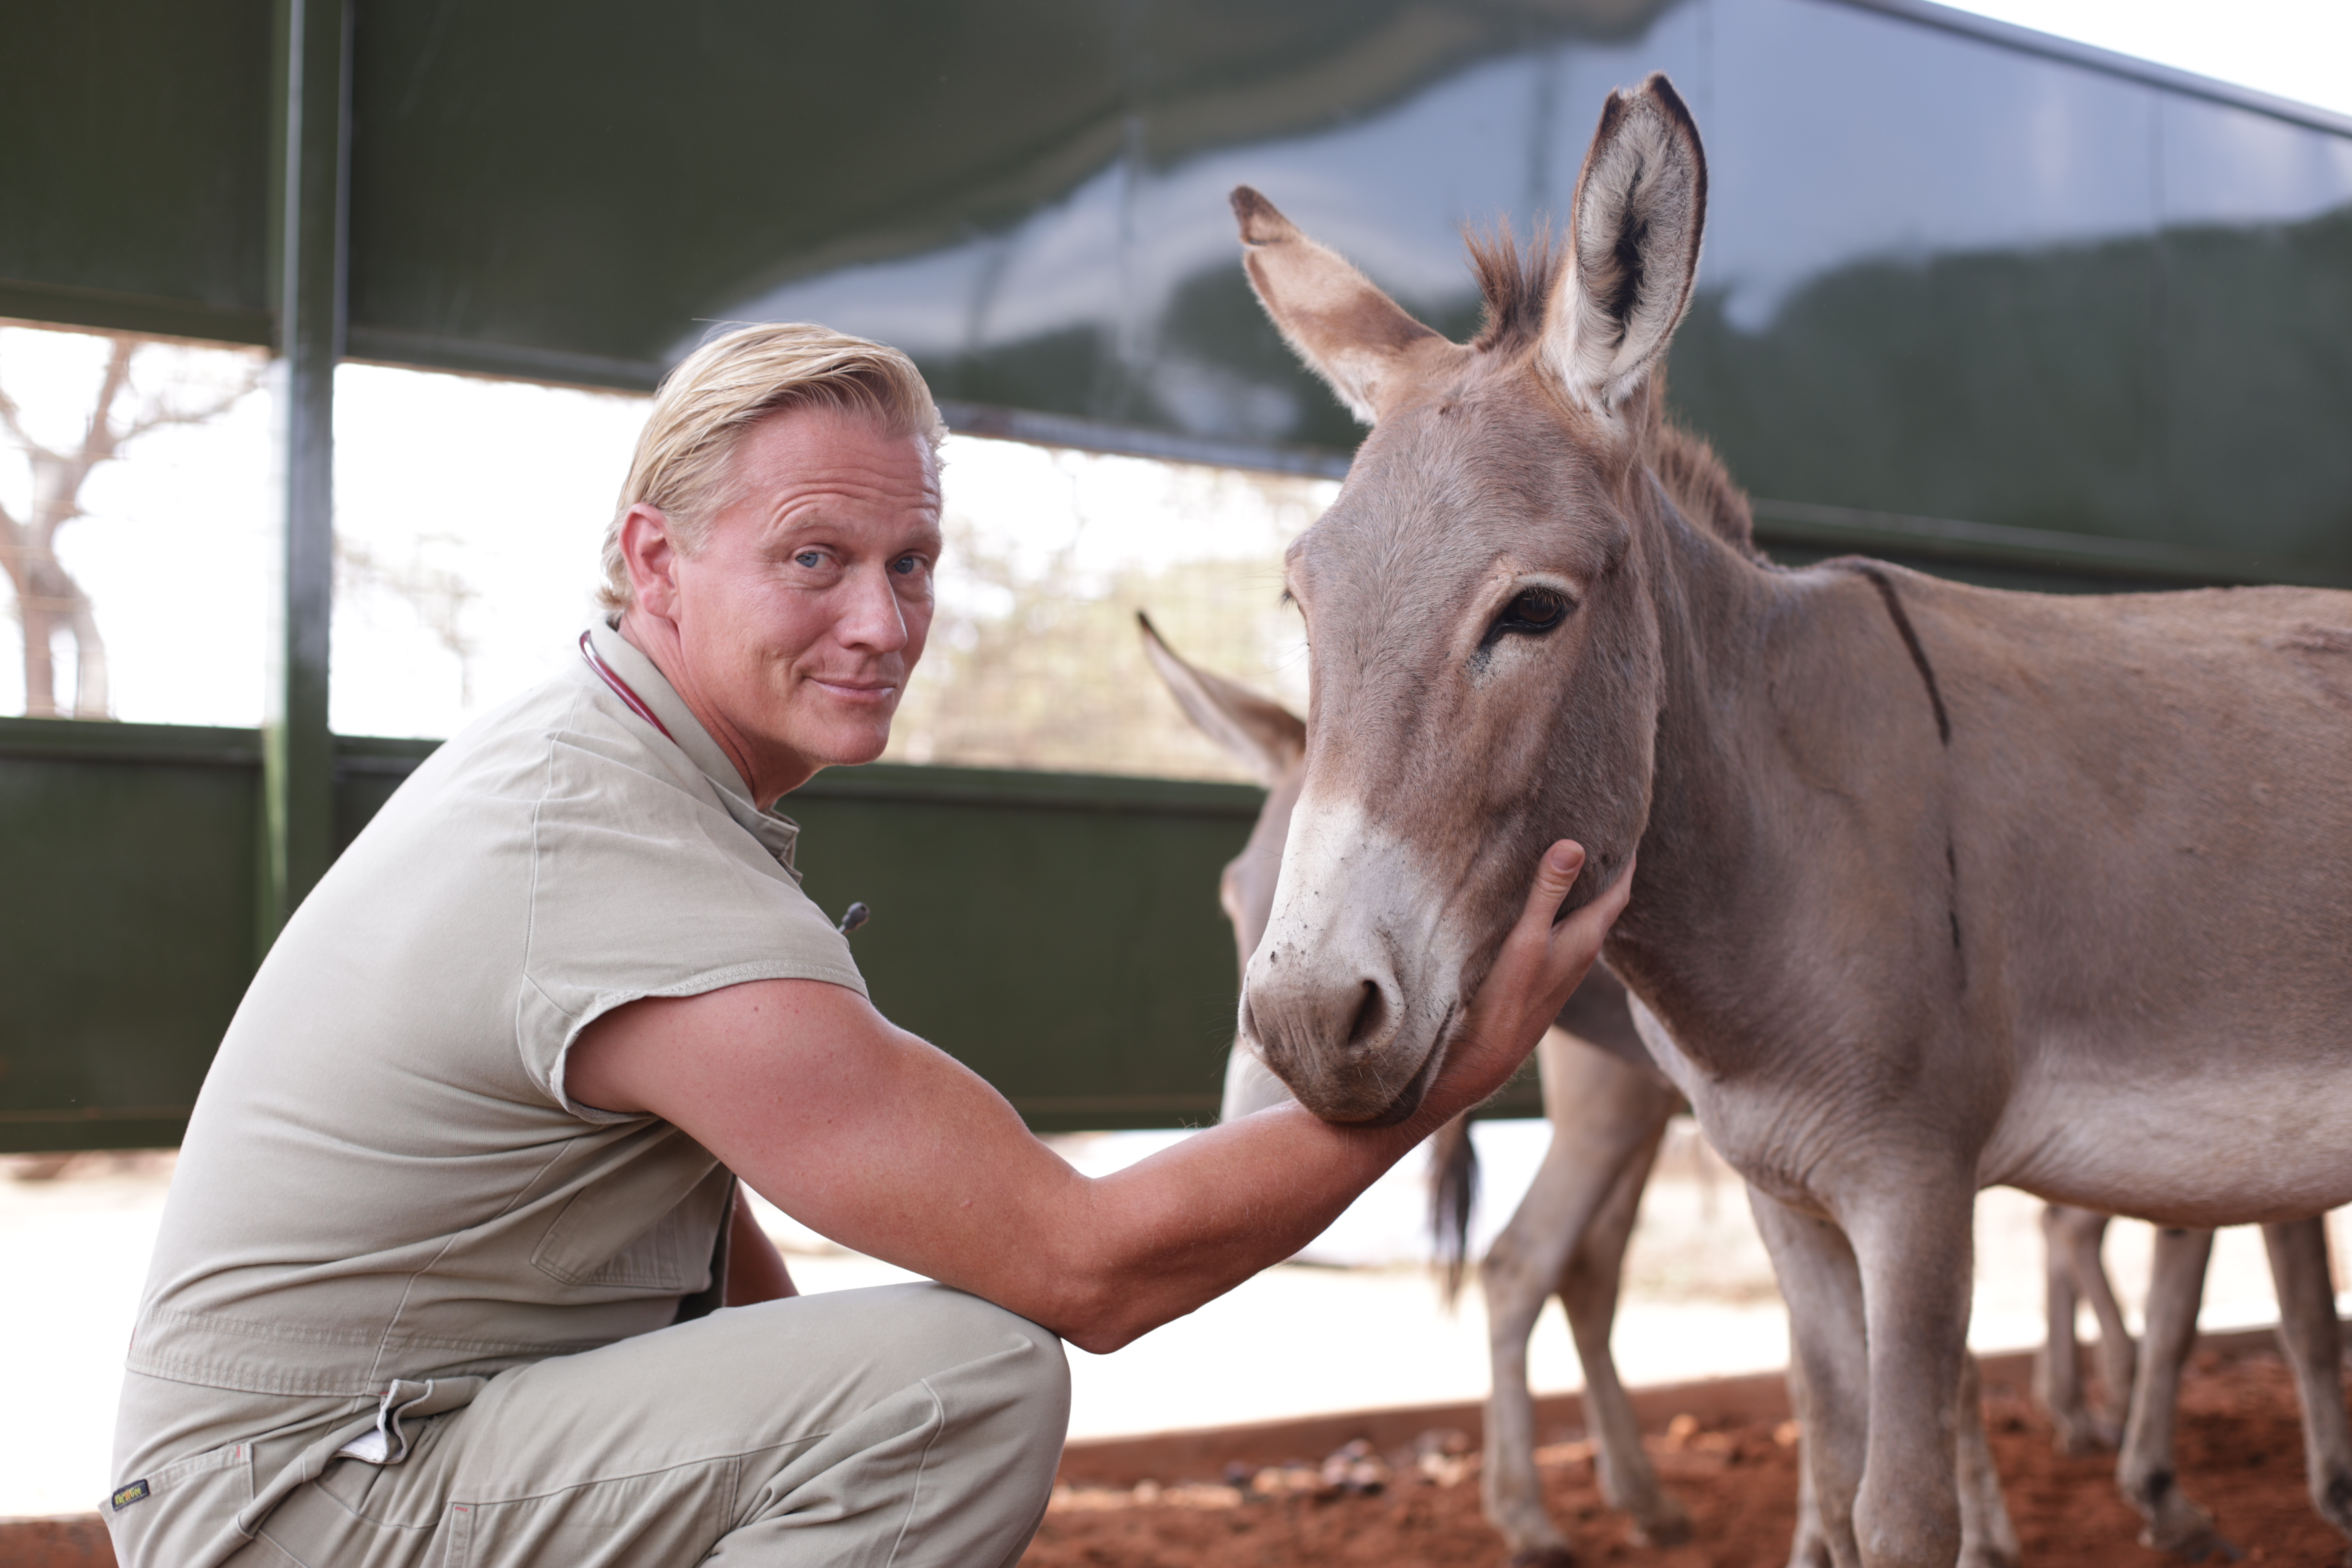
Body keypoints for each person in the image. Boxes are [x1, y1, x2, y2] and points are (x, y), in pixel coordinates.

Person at [104, 323, 1628, 1568]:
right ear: (656, 560)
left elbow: (712, 1256)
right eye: (815, 559)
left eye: (912, 563)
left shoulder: (610, 765)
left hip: (322, 1467)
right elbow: (1084, 1267)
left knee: (902, 1393)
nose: (885, 623)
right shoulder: (609, 850)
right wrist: (1456, 1073)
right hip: (299, 1507)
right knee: (970, 1387)